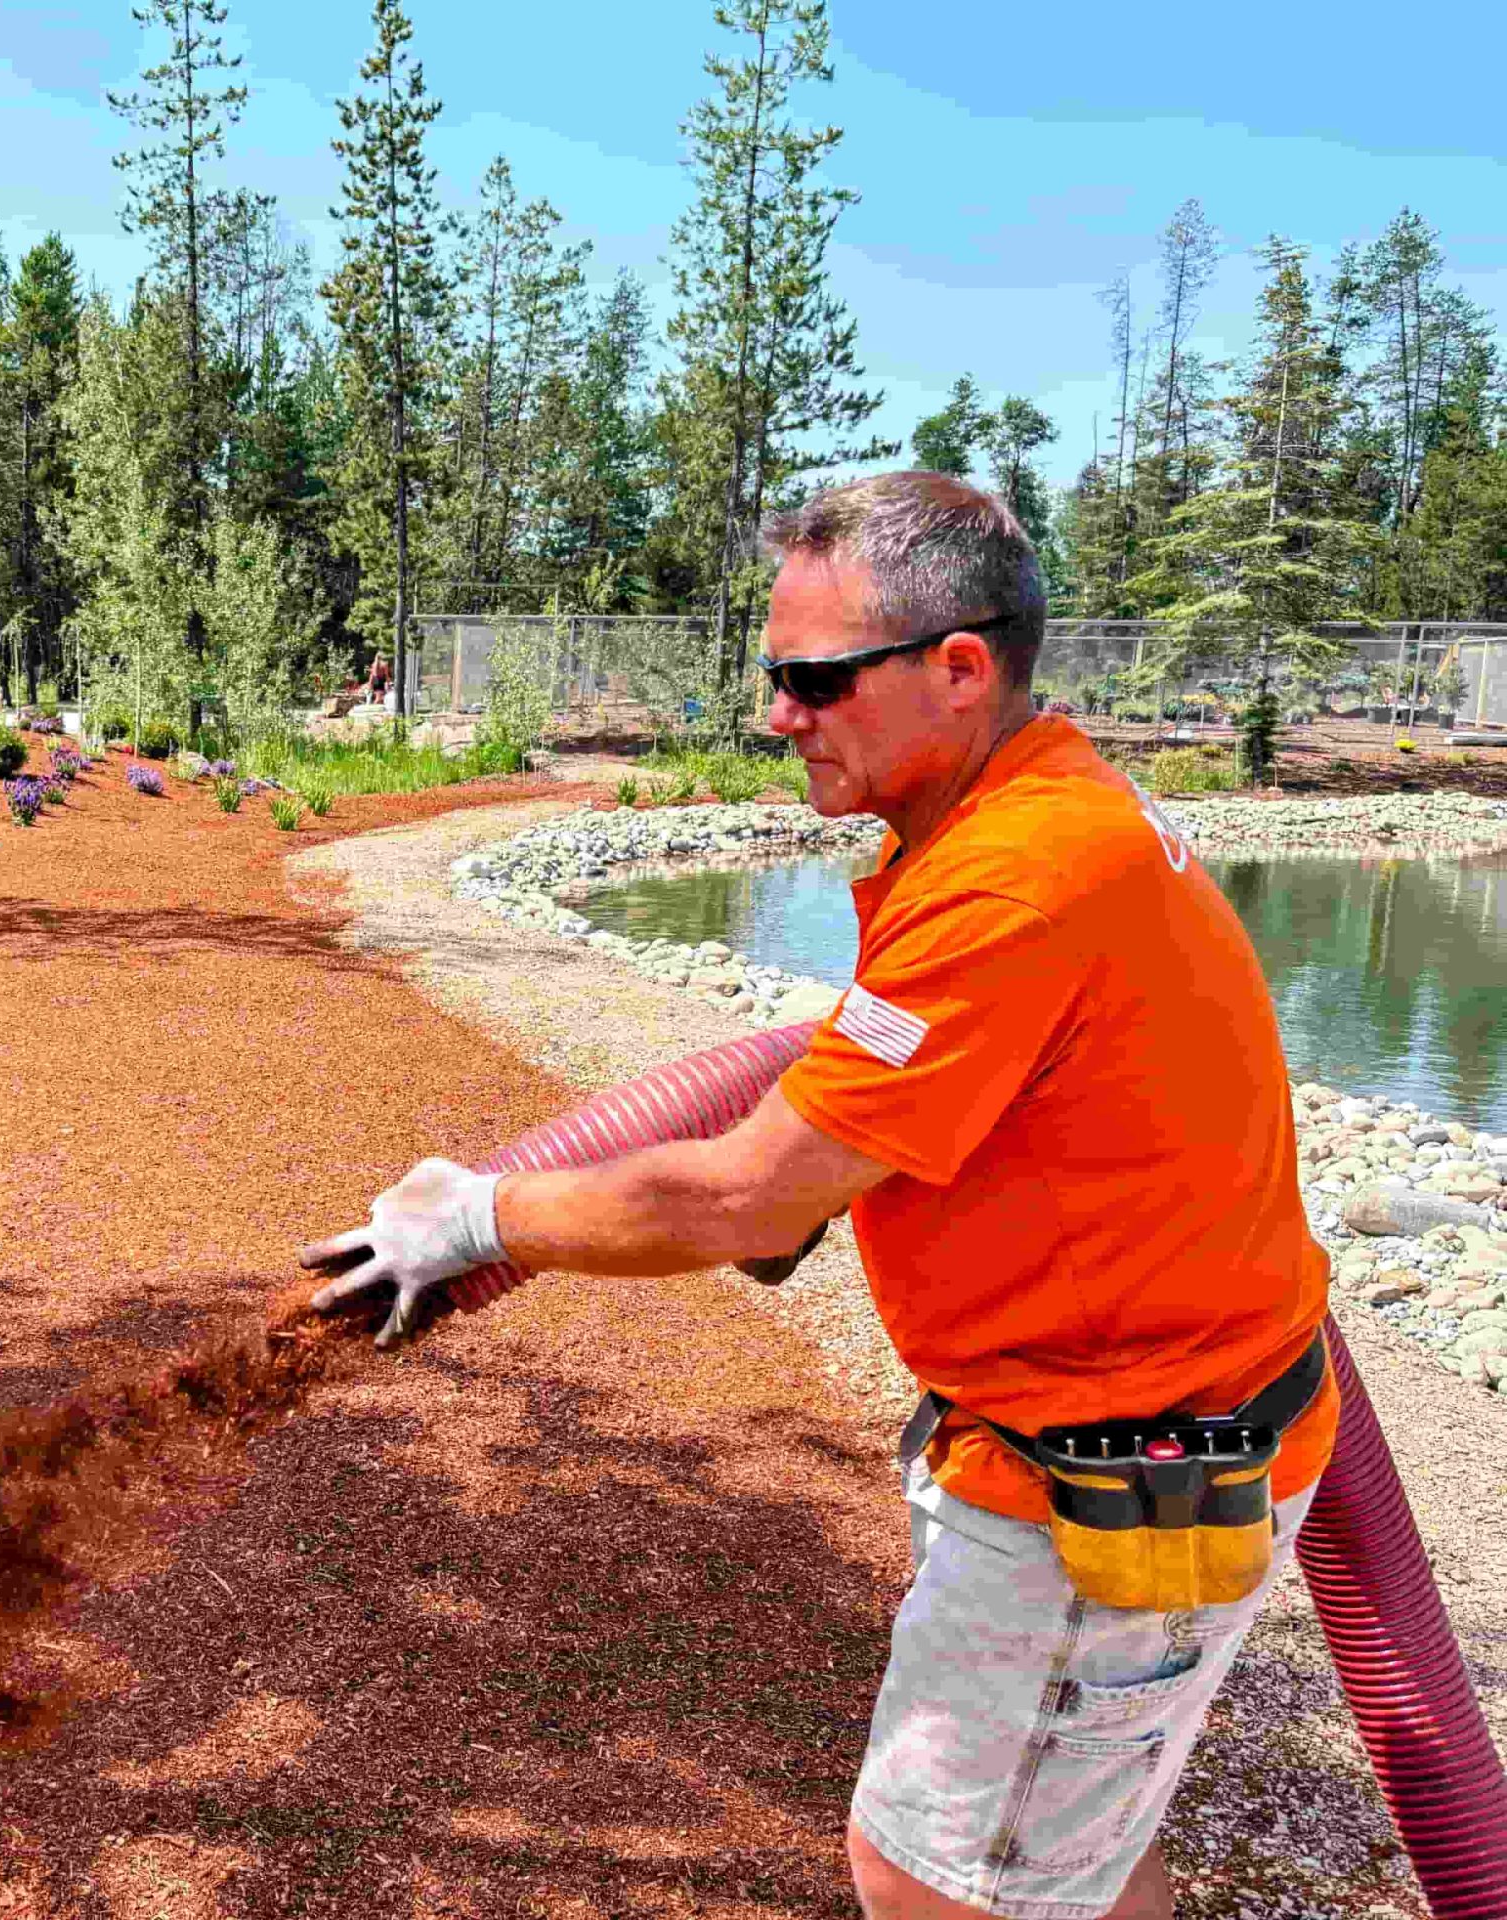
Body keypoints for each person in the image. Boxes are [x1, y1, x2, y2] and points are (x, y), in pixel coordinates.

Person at [303, 470, 1334, 1920]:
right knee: (1066, 1847)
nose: (779, 713)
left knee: (931, 1878)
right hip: (1133, 1420)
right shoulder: (1037, 818)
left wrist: (475, 1221)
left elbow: (741, 1199)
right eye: (773, 675)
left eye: (813, 679)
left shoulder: (1014, 881)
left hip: (1118, 1474)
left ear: (959, 670)